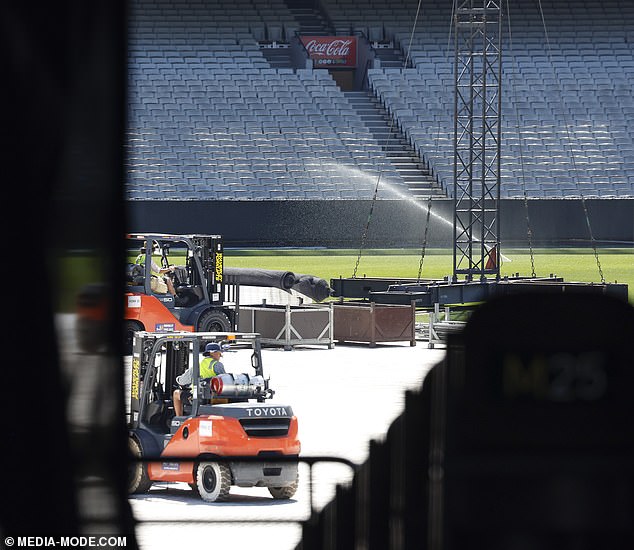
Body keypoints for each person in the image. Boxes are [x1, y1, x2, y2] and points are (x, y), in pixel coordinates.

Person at [173, 343, 226, 416]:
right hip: (213, 397)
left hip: (198, 398)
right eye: (219, 353)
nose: (220, 355)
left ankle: (179, 418)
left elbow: (182, 381)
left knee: (176, 393)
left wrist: (178, 379)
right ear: (213, 352)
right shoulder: (217, 365)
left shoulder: (197, 365)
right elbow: (225, 381)